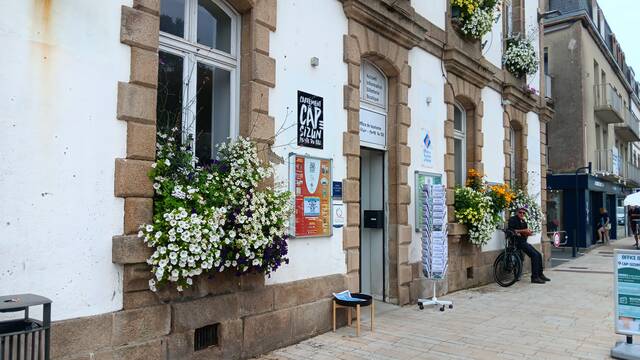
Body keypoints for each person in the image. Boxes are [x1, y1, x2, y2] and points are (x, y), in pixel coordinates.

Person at [508, 207, 550, 284]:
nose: (522, 214)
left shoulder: (523, 221)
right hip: (516, 242)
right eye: (520, 212)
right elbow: (511, 230)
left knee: (538, 254)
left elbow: (524, 233)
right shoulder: (512, 219)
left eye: (523, 213)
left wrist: (528, 233)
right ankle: (534, 277)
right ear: (517, 212)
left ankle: (540, 274)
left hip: (523, 241)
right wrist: (523, 231)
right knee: (534, 255)